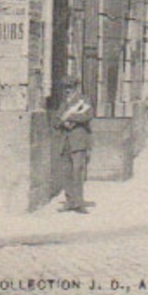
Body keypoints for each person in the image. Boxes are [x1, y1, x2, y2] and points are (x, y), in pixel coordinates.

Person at [54, 78, 93, 213]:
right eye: (65, 88)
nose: (67, 90)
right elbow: (56, 121)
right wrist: (62, 122)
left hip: (78, 142)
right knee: (67, 173)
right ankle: (69, 201)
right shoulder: (64, 104)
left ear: (76, 87)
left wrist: (70, 118)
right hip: (65, 142)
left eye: (70, 87)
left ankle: (78, 203)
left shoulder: (83, 101)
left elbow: (87, 116)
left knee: (77, 172)